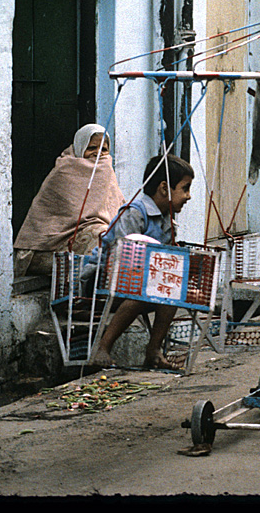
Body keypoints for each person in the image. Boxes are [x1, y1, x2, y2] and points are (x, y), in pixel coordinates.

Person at [80, 154, 194, 370]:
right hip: (100, 281)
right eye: (185, 188)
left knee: (170, 295)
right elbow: (122, 258)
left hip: (135, 286)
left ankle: (153, 350)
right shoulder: (135, 213)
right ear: (163, 188)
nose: (189, 196)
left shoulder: (167, 221)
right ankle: (102, 348)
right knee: (141, 294)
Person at [13, 124, 126, 277]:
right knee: (101, 238)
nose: (97, 154)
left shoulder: (107, 171)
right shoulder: (65, 169)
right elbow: (69, 213)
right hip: (57, 242)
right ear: (80, 146)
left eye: (103, 149)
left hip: (93, 234)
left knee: (115, 239)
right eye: (92, 147)